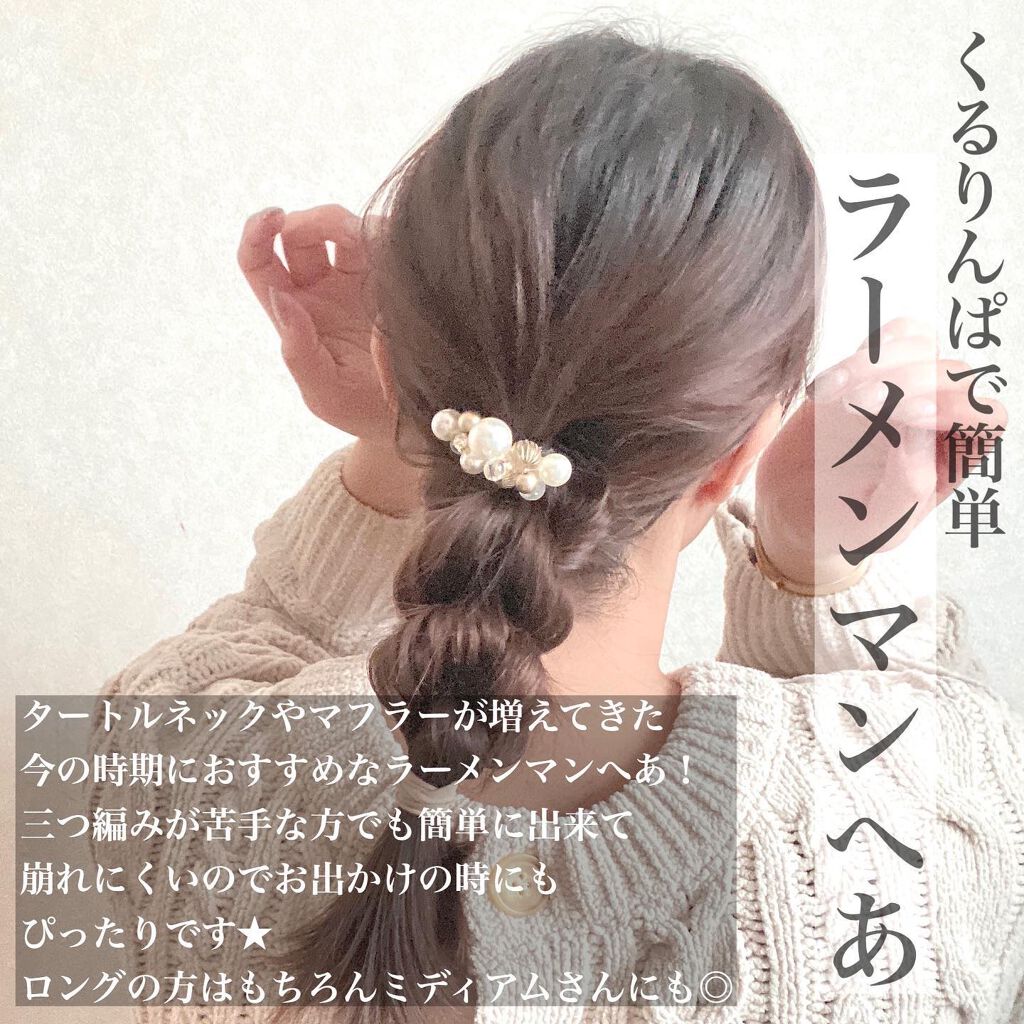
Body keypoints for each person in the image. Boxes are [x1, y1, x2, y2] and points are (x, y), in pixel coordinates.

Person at [91, 24, 1024, 1024]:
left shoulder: (176, 776)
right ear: (740, 451)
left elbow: (262, 641)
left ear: (396, 373)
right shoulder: (920, 861)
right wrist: (816, 564)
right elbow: (897, 763)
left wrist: (393, 445)